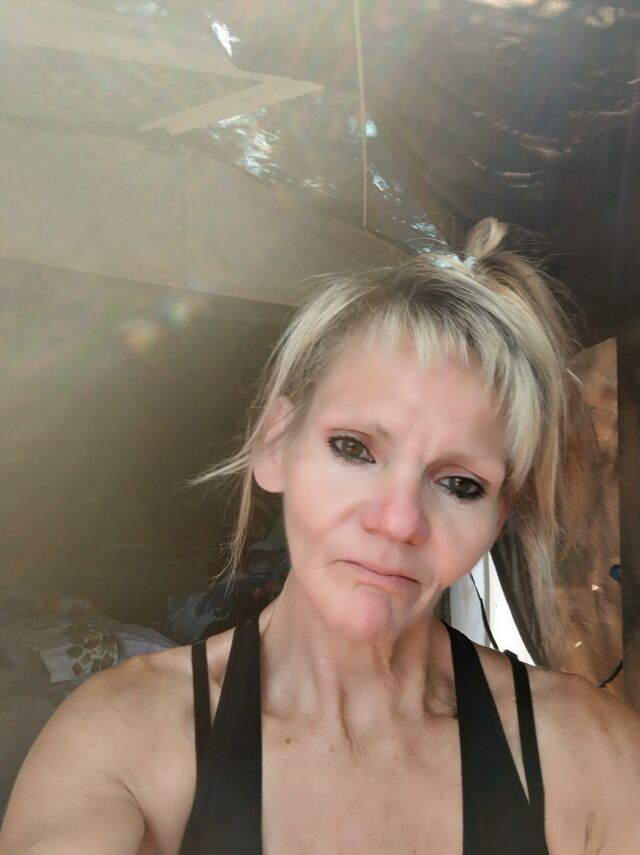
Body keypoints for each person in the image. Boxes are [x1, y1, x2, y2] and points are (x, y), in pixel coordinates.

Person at [2, 218, 640, 855]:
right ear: (275, 442)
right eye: (353, 448)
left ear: (498, 518)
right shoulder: (121, 744)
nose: (398, 520)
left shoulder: (589, 757)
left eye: (460, 484)